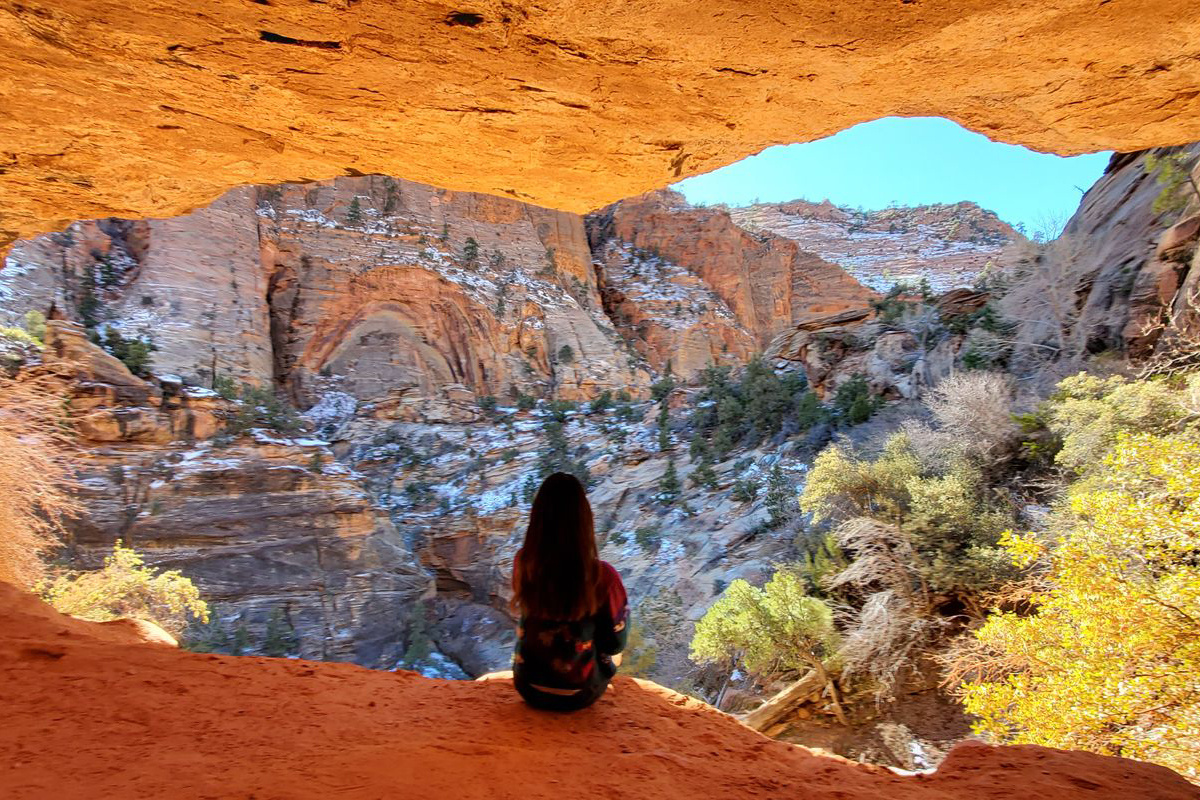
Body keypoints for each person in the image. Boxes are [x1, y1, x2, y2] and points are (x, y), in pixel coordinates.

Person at [511, 472, 628, 711]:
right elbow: (615, 644)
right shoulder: (602, 576)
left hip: (528, 686)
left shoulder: (524, 562)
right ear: (584, 520)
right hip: (581, 692)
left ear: (537, 518)